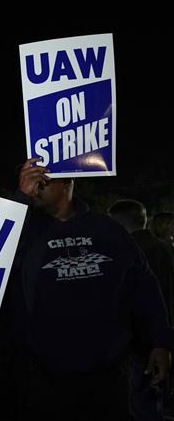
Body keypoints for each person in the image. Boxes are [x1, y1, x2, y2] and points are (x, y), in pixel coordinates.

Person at [9, 157, 174, 421]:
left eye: (41, 179)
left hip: (108, 379)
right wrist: (20, 198)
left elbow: (144, 287)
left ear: (66, 182)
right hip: (42, 380)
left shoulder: (108, 231)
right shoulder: (21, 231)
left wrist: (161, 343)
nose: (33, 186)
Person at [109, 199, 174, 421]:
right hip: (161, 339)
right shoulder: (164, 247)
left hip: (138, 342)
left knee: (141, 405)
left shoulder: (127, 253)